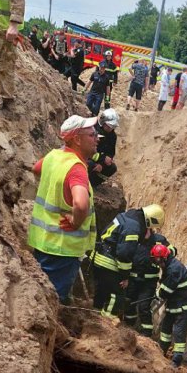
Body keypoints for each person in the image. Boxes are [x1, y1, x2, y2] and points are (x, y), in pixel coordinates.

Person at [27, 115, 97, 302]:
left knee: (43, 293)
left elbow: (36, 168)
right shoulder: (76, 169)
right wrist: (76, 221)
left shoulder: (54, 156)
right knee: (55, 299)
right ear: (77, 139)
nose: (96, 138)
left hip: (42, 241)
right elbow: (81, 204)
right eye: (91, 135)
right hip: (62, 248)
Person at [92, 204, 165, 319]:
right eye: (150, 228)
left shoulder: (128, 216)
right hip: (109, 262)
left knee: (102, 291)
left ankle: (94, 317)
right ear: (150, 221)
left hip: (99, 256)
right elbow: (124, 254)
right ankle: (106, 324)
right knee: (117, 295)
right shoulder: (133, 228)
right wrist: (124, 277)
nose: (150, 231)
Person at [150, 244, 187, 365]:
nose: (157, 263)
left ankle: (177, 360)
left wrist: (157, 294)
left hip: (183, 304)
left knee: (179, 332)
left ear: (163, 258)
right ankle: (161, 350)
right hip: (174, 302)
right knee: (165, 328)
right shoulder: (168, 265)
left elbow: (166, 290)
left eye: (157, 260)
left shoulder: (174, 269)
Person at [124, 232, 175, 337]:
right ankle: (128, 327)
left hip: (149, 281)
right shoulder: (135, 236)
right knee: (129, 303)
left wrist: (161, 254)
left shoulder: (159, 239)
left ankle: (146, 334)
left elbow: (173, 251)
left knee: (144, 307)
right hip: (132, 279)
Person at [88, 108, 118, 188]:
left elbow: (111, 152)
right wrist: (102, 159)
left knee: (112, 168)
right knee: (90, 164)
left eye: (112, 127)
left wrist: (103, 164)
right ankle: (83, 182)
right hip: (88, 158)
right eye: (109, 126)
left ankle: (92, 184)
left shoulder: (112, 136)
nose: (110, 129)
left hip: (100, 160)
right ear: (103, 122)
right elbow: (87, 151)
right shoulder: (92, 130)